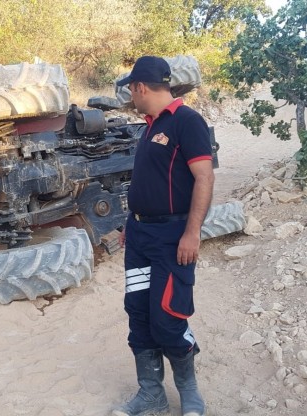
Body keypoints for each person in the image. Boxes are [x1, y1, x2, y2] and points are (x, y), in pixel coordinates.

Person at [112, 56, 214, 416]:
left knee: (168, 316)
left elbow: (204, 177)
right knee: (138, 314)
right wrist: (131, 222)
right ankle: (151, 393)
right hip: (140, 237)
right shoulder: (149, 126)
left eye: (131, 90)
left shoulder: (187, 122)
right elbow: (150, 183)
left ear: (140, 87)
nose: (131, 97)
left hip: (173, 237)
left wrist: (192, 233)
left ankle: (189, 392)